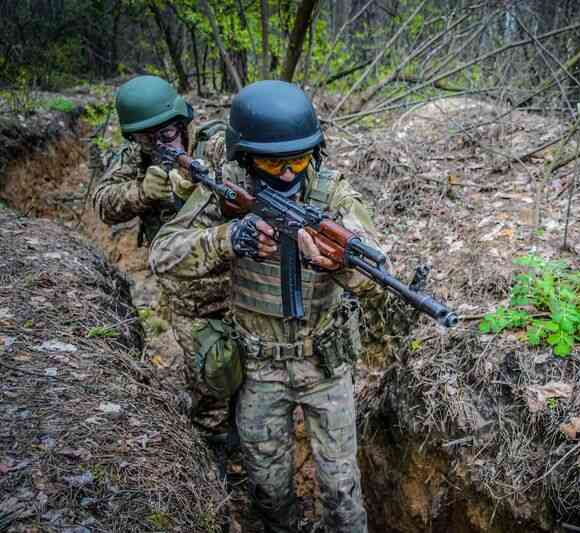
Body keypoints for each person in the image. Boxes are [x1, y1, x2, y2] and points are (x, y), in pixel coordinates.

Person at [149, 80, 380, 533]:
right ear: (245, 155)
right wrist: (229, 239)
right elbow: (164, 254)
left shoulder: (333, 194)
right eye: (275, 162)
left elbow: (375, 266)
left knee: (341, 492)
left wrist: (336, 262)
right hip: (258, 368)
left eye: (298, 159)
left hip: (325, 365)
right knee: (268, 491)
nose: (290, 174)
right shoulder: (227, 192)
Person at [91, 75, 230, 431]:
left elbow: (243, 174)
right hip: (186, 296)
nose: (162, 143)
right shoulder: (137, 158)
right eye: (148, 138)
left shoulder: (210, 143)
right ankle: (214, 446)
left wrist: (202, 185)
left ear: (182, 121)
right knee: (208, 378)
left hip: (236, 283)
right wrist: (142, 192)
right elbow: (104, 202)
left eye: (168, 133)